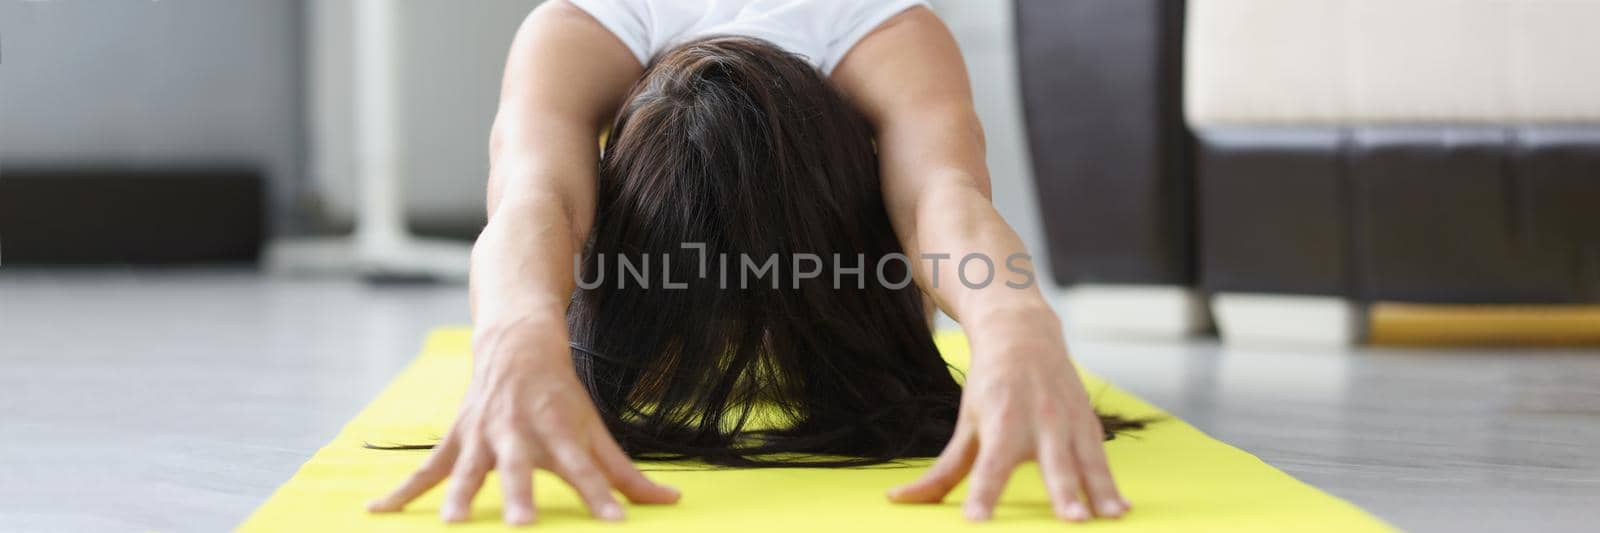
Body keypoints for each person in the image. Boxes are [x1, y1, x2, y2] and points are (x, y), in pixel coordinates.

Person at [365, 0, 1135, 525]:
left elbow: (944, 196)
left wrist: (1015, 322)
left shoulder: (884, 31)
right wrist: (514, 328)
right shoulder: (579, 29)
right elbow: (536, 202)